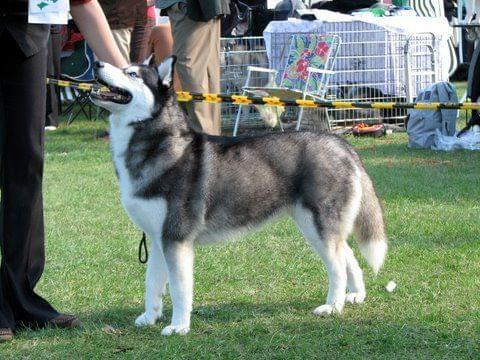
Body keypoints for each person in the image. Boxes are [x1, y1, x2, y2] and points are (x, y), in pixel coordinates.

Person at [0, 0, 127, 342]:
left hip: (28, 33)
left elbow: (82, 2)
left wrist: (126, 74)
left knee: (26, 163)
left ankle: (21, 298)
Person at [156, 0, 230, 135]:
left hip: (189, 7)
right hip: (199, 7)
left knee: (191, 69)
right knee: (206, 72)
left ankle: (205, 139)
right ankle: (210, 140)